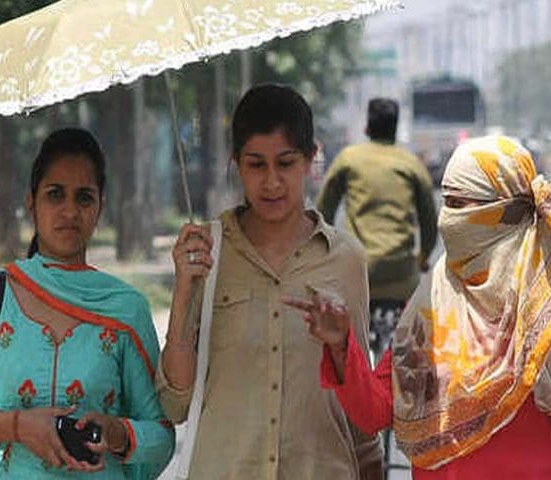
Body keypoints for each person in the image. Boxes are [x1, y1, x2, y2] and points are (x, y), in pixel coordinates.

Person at [285, 135, 551, 479]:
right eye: (448, 203)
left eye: (465, 206)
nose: (451, 220)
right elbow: (375, 410)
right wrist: (340, 345)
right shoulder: (431, 308)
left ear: (506, 214)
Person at [155, 84, 383, 479]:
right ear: (236, 164)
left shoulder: (345, 260)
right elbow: (174, 405)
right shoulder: (205, 254)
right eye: (256, 165)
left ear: (312, 160)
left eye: (286, 163)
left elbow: (361, 412)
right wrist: (182, 293)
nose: (272, 182)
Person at [0, 128, 174, 478]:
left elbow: (161, 436)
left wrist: (117, 434)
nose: (70, 210)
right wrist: (16, 426)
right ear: (32, 203)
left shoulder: (125, 308)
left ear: (100, 207)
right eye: (55, 195)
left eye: (84, 197)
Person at [316, 97, 437, 306]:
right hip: (402, 275)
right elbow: (430, 222)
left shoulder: (348, 158)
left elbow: (323, 211)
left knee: (345, 333)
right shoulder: (412, 164)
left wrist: (326, 256)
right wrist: (423, 258)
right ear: (395, 127)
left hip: (356, 271)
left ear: (367, 127)